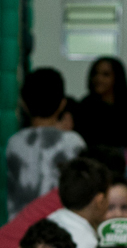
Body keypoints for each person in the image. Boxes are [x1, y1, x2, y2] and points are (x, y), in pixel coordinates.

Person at [6, 68, 86, 219]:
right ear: (63, 104)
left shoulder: (14, 142)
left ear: (23, 104)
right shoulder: (74, 141)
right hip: (61, 225)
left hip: (21, 226)